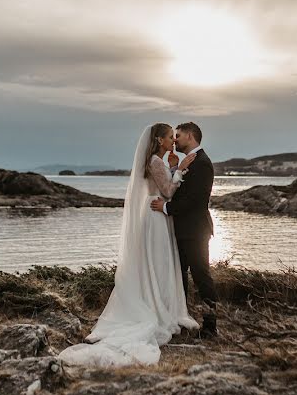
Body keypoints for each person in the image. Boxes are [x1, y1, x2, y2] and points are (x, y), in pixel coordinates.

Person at [57, 123, 198, 367]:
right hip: (156, 216)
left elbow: (163, 185)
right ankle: (157, 309)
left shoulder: (157, 161)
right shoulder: (155, 161)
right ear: (159, 140)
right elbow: (167, 192)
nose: (173, 141)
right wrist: (181, 170)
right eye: (169, 137)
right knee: (159, 264)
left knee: (159, 264)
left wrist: (174, 167)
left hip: (156, 215)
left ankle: (161, 305)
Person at [150, 121, 218, 337]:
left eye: (178, 135)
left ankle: (210, 326)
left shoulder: (203, 163)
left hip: (196, 230)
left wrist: (166, 207)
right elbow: (177, 189)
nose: (175, 139)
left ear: (190, 136)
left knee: (201, 276)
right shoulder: (189, 161)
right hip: (180, 230)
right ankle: (181, 318)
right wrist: (174, 169)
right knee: (179, 277)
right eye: (173, 136)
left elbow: (196, 200)